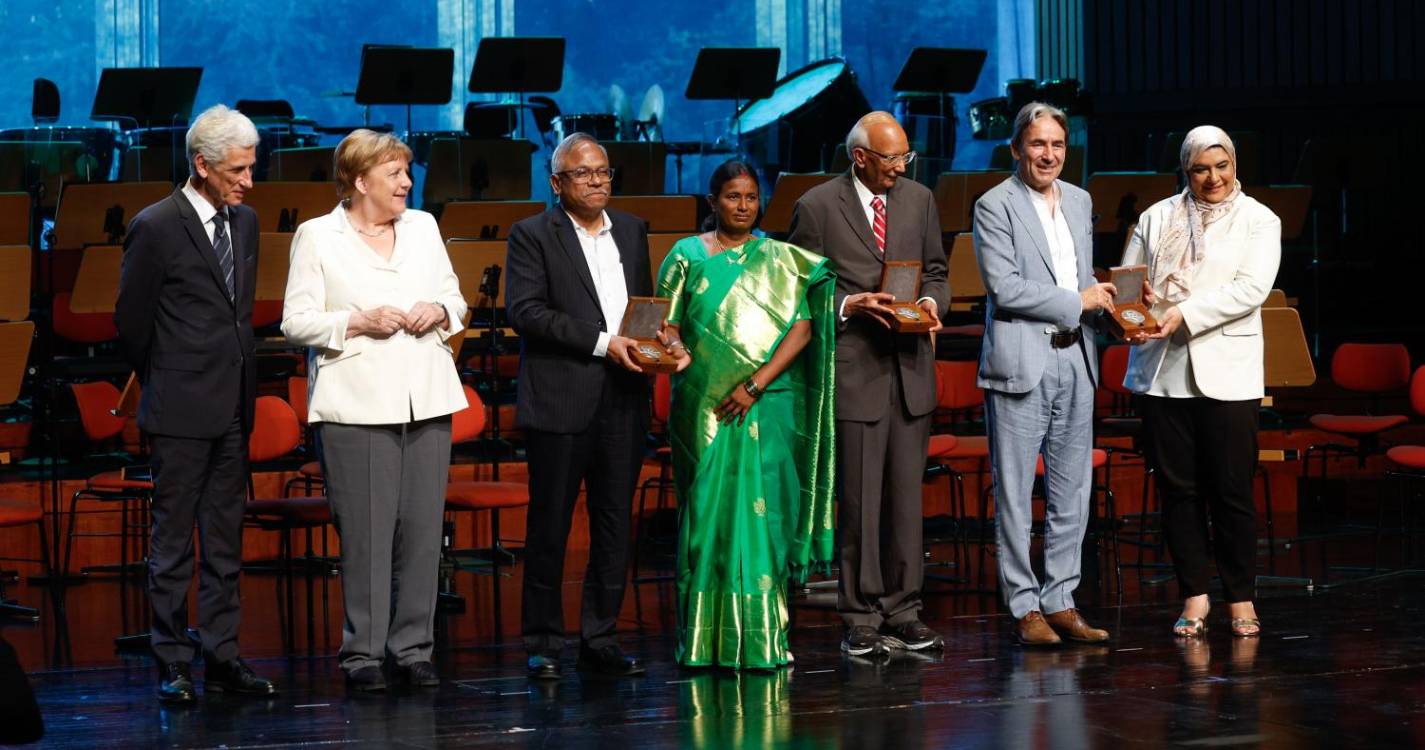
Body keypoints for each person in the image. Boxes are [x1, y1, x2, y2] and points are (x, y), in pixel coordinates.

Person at [281, 129, 467, 691]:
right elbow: (295, 321)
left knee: (420, 532)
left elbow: (456, 299)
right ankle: (362, 654)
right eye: (395, 175)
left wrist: (438, 309)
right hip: (356, 405)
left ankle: (413, 647)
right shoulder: (317, 236)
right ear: (360, 180)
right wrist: (356, 321)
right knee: (366, 535)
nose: (407, 183)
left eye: (408, 173)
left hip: (427, 396)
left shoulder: (424, 227)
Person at [115, 104, 276, 703]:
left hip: (234, 406)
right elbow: (131, 322)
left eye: (252, 167)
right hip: (181, 408)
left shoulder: (247, 221)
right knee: (174, 542)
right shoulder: (156, 225)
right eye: (238, 169)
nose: (249, 181)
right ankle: (172, 660)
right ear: (203, 164)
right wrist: (173, 375)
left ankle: (223, 654)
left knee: (226, 540)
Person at [657, 160, 836, 669]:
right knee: (705, 520)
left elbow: (802, 329)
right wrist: (674, 346)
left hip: (766, 402)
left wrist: (755, 384)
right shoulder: (686, 256)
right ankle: (701, 642)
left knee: (765, 515)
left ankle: (763, 639)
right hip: (702, 404)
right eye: (732, 196)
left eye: (751, 197)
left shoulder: (778, 259)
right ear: (712, 201)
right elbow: (663, 323)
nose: (742, 206)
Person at [787, 112, 949, 657]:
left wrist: (929, 304)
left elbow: (937, 272)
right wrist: (846, 303)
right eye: (891, 159)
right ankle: (859, 615)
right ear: (859, 157)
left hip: (910, 372)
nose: (900, 169)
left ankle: (904, 610)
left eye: (906, 157)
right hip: (855, 372)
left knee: (906, 501)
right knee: (859, 502)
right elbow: (797, 290)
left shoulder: (919, 199)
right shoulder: (815, 206)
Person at [505, 133, 655, 680]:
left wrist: (662, 341)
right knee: (550, 526)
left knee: (615, 525)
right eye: (583, 173)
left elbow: (643, 306)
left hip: (626, 398)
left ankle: (602, 636)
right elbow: (525, 312)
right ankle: (544, 641)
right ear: (556, 182)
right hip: (563, 398)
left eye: (603, 172)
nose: (596, 181)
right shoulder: (532, 235)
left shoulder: (634, 230)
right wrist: (602, 342)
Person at [1121, 126, 1280, 639]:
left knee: (1231, 492)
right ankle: (1194, 595)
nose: (1212, 178)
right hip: (1163, 372)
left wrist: (1184, 313)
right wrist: (1132, 297)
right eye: (1200, 169)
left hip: (1228, 375)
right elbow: (1128, 278)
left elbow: (1251, 289)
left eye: (1221, 167)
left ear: (1234, 165)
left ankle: (1240, 598)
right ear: (1185, 171)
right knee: (1179, 492)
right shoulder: (1157, 216)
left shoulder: (1259, 219)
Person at [972, 102, 1115, 647]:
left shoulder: (1079, 201)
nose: (1048, 154)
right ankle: (1024, 604)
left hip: (1076, 356)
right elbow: (1005, 288)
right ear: (1016, 149)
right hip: (1021, 359)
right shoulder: (994, 205)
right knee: (1014, 490)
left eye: (1056, 144)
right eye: (1037, 144)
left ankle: (1060, 598)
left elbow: (1079, 277)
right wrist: (1078, 300)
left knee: (1072, 490)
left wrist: (1115, 300)